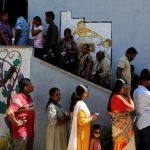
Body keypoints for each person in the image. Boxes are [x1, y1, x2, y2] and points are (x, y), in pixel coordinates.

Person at [7, 78, 35, 150]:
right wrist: (17, 123)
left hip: (29, 133)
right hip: (21, 135)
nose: (32, 86)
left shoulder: (28, 97)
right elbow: (9, 112)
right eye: (30, 85)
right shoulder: (18, 98)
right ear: (25, 87)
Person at [107, 79, 135, 150]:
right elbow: (131, 108)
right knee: (121, 147)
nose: (125, 89)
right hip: (121, 129)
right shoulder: (117, 97)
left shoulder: (117, 96)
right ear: (120, 87)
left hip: (121, 129)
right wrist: (129, 95)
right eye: (124, 87)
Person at [68, 84, 97, 150]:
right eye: (86, 92)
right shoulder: (80, 105)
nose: (87, 94)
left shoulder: (79, 104)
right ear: (82, 94)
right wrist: (91, 118)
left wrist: (90, 116)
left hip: (82, 132)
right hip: (82, 133)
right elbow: (81, 121)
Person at [133, 69, 150, 150]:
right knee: (147, 146)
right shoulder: (145, 92)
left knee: (143, 144)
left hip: (140, 122)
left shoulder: (136, 91)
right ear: (144, 81)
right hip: (146, 123)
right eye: (149, 81)